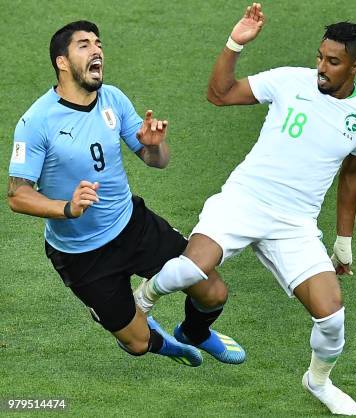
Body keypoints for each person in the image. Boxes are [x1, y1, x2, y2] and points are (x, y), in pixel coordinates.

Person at [134, 3, 356, 415]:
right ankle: (141, 303)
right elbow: (219, 94)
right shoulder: (289, 81)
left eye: (333, 62)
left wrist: (343, 241)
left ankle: (318, 381)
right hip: (243, 200)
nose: (321, 67)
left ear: (355, 67)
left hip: (294, 224)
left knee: (332, 319)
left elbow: (352, 177)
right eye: (320, 57)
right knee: (190, 270)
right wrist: (235, 43)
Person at [7, 20, 244, 368]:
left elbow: (155, 161)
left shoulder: (112, 98)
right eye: (84, 45)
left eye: (98, 43)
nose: (97, 50)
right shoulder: (36, 122)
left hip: (133, 225)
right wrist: (67, 208)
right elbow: (17, 195)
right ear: (62, 62)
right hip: (81, 254)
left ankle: (194, 332)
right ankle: (153, 335)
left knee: (213, 291)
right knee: (136, 343)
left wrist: (153, 148)